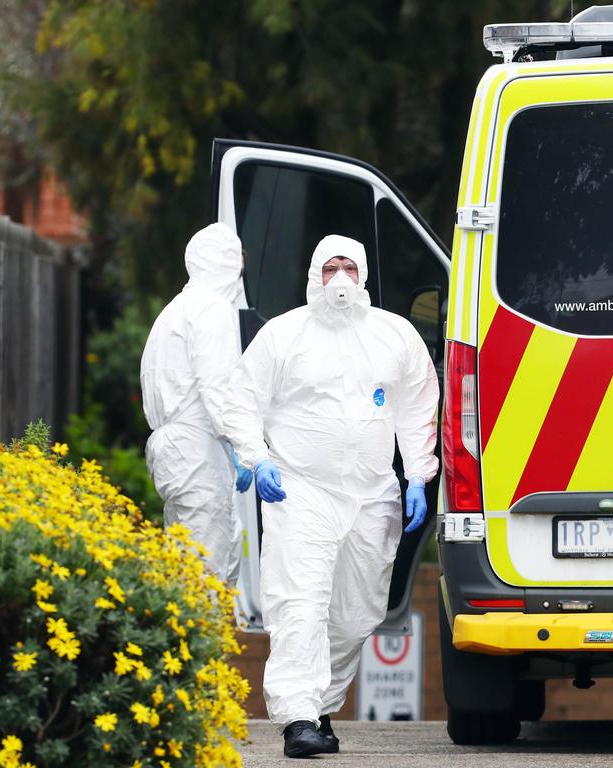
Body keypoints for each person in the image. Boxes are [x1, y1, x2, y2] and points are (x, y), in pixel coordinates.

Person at [223, 234, 438, 758]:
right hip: (301, 489)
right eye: (329, 268)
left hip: (372, 495)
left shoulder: (395, 335)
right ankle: (297, 717)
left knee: (356, 613)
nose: (339, 278)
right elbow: (242, 400)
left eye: (349, 267)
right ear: (314, 274)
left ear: (362, 275)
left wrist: (416, 477)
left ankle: (320, 704)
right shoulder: (283, 335)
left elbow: (416, 407)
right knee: (301, 600)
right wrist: (258, 457)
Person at [140, 222, 253, 587]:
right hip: (197, 452)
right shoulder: (212, 310)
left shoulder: (176, 308)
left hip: (175, 450)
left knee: (184, 565)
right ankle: (199, 645)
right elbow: (217, 387)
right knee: (203, 576)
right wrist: (246, 446)